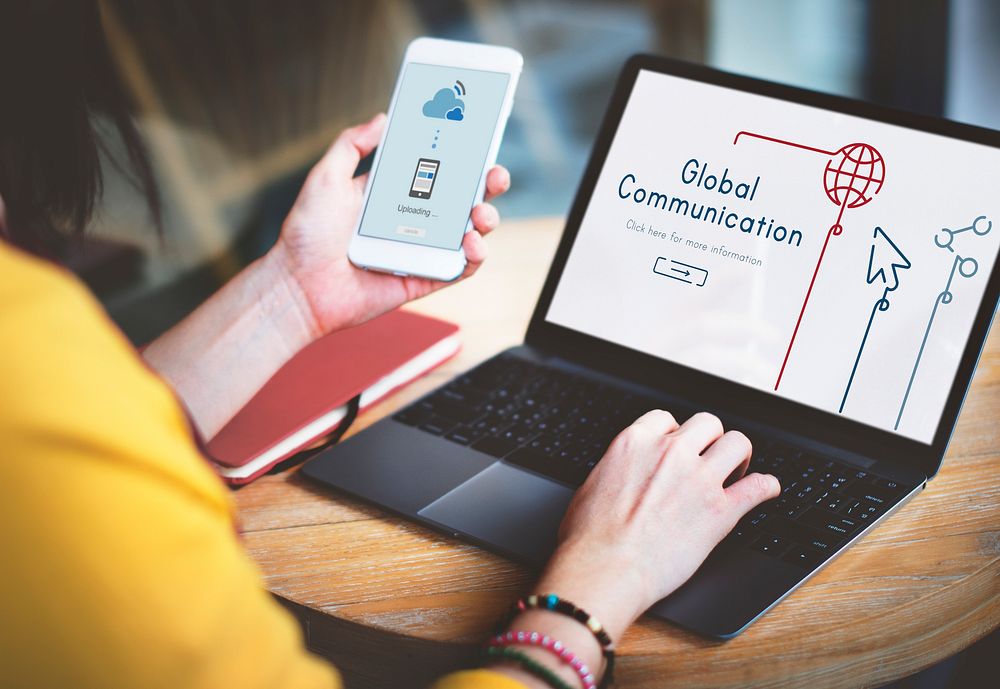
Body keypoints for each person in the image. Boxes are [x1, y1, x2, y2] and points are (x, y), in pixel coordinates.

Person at [0, 5, 779, 688]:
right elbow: (57, 445)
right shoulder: (29, 369)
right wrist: (605, 574)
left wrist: (292, 293)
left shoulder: (34, 340)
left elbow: (90, 419)